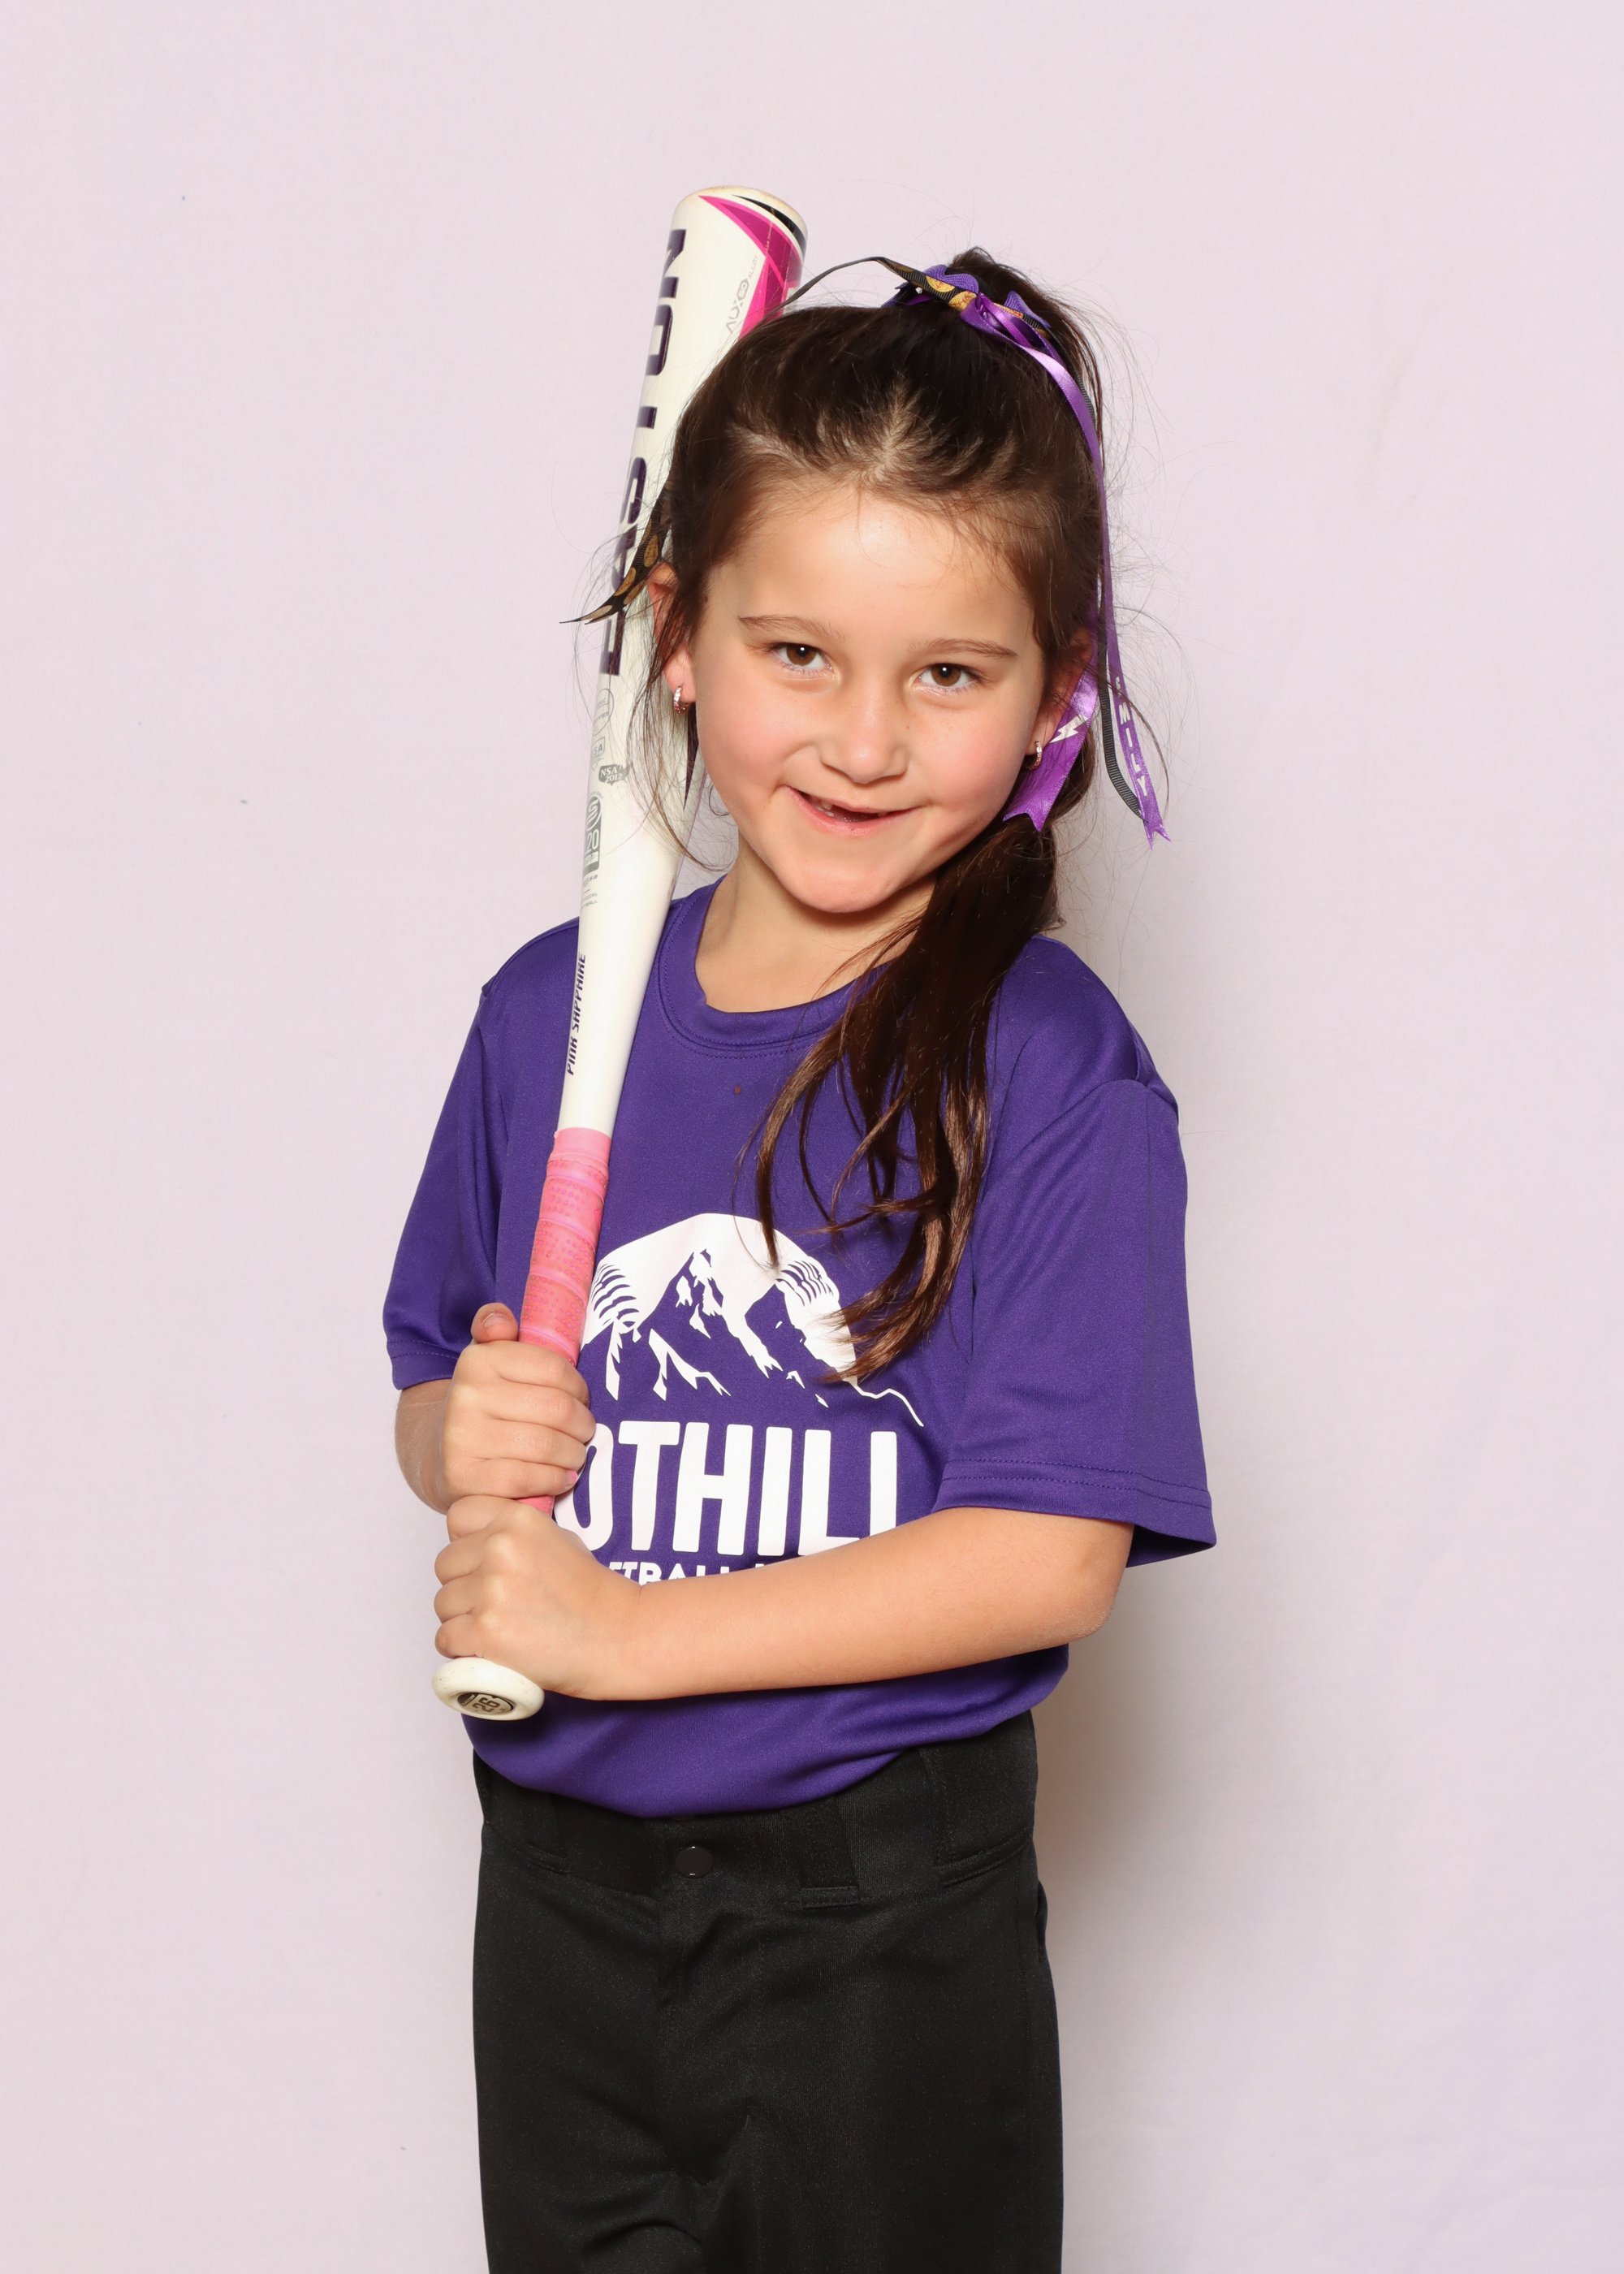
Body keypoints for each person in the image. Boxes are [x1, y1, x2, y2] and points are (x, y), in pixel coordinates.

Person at [384, 249, 1212, 2274]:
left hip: (873, 1919)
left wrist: (620, 1633)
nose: (860, 738)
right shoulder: (545, 1016)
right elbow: (437, 1396)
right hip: (556, 1896)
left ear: (1053, 697)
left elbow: (1046, 1554)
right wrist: (455, 1432)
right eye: (797, 652)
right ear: (676, 637)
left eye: (947, 674)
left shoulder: (1047, 1062)